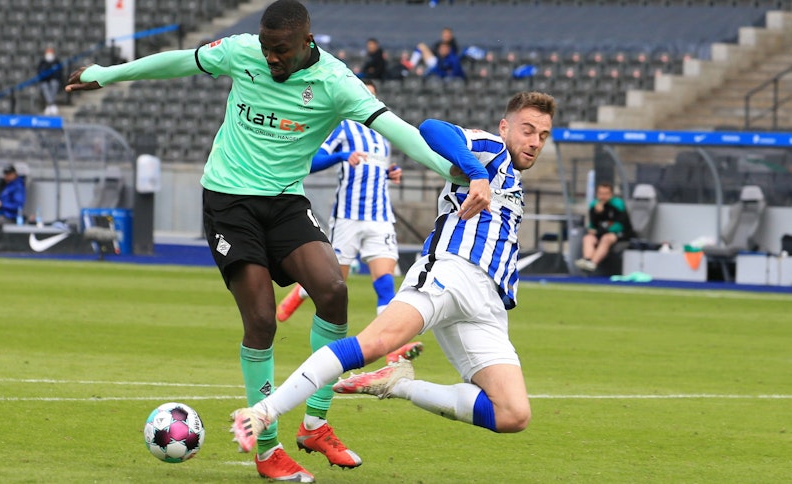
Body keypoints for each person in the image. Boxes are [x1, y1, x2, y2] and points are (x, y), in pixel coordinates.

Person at [65, 1, 471, 481]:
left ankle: (315, 425)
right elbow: (178, 61)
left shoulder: (335, 82)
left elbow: (397, 129)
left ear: (306, 42)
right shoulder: (241, 52)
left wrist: (455, 172)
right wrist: (106, 74)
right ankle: (266, 447)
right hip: (229, 200)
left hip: (284, 202)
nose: (271, 58)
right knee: (260, 319)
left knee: (333, 291)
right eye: (266, 48)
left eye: (280, 50)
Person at [231, 92, 556, 457]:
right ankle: (262, 412)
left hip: (487, 305)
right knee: (372, 344)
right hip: (451, 273)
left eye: (543, 135)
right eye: (528, 130)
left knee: (513, 413)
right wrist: (477, 174)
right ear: (505, 127)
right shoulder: (492, 151)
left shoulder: (514, 180)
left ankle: (397, 384)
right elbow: (432, 129)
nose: (535, 141)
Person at [277, 79, 402, 322]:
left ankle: (392, 345)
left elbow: (371, 170)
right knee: (334, 282)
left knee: (385, 284)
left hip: (380, 217)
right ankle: (302, 291)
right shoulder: (343, 127)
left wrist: (389, 174)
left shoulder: (382, 134)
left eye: (371, 96)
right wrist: (342, 155)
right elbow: (311, 162)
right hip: (348, 216)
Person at [575, 182, 633, 272]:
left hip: (619, 234)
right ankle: (587, 260)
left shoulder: (618, 204)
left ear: (611, 194)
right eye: (601, 194)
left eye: (606, 194)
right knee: (588, 238)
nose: (603, 196)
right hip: (600, 232)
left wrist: (599, 231)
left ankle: (593, 263)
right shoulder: (594, 205)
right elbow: (593, 224)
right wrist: (597, 214)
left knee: (606, 238)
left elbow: (619, 225)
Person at [37, 47, 64, 115]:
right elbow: (40, 72)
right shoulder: (42, 62)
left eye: (50, 52)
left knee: (54, 84)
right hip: (44, 81)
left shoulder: (57, 61)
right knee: (44, 86)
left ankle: (49, 105)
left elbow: (59, 73)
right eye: (48, 52)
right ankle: (52, 104)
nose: (49, 54)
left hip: (54, 80)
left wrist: (51, 74)